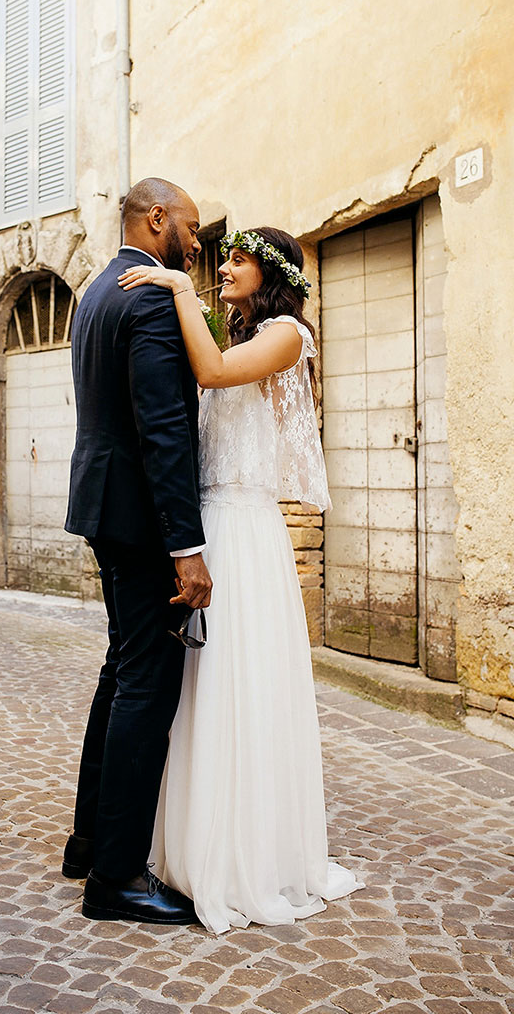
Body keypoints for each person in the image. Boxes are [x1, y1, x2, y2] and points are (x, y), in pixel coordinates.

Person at [118, 225, 363, 934]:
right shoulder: (240, 334)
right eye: (223, 258)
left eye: (237, 259)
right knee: (200, 688)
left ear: (272, 272)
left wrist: (173, 287)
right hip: (210, 530)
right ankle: (197, 850)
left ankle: (246, 858)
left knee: (241, 684)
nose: (223, 266)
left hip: (247, 537)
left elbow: (214, 376)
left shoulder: (287, 333)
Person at [63, 177, 213, 925]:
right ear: (156, 218)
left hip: (103, 508)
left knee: (120, 671)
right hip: (145, 524)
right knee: (146, 688)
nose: (196, 236)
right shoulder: (150, 297)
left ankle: (89, 843)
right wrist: (186, 548)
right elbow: (164, 430)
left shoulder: (94, 294)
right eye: (188, 223)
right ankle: (116, 879)